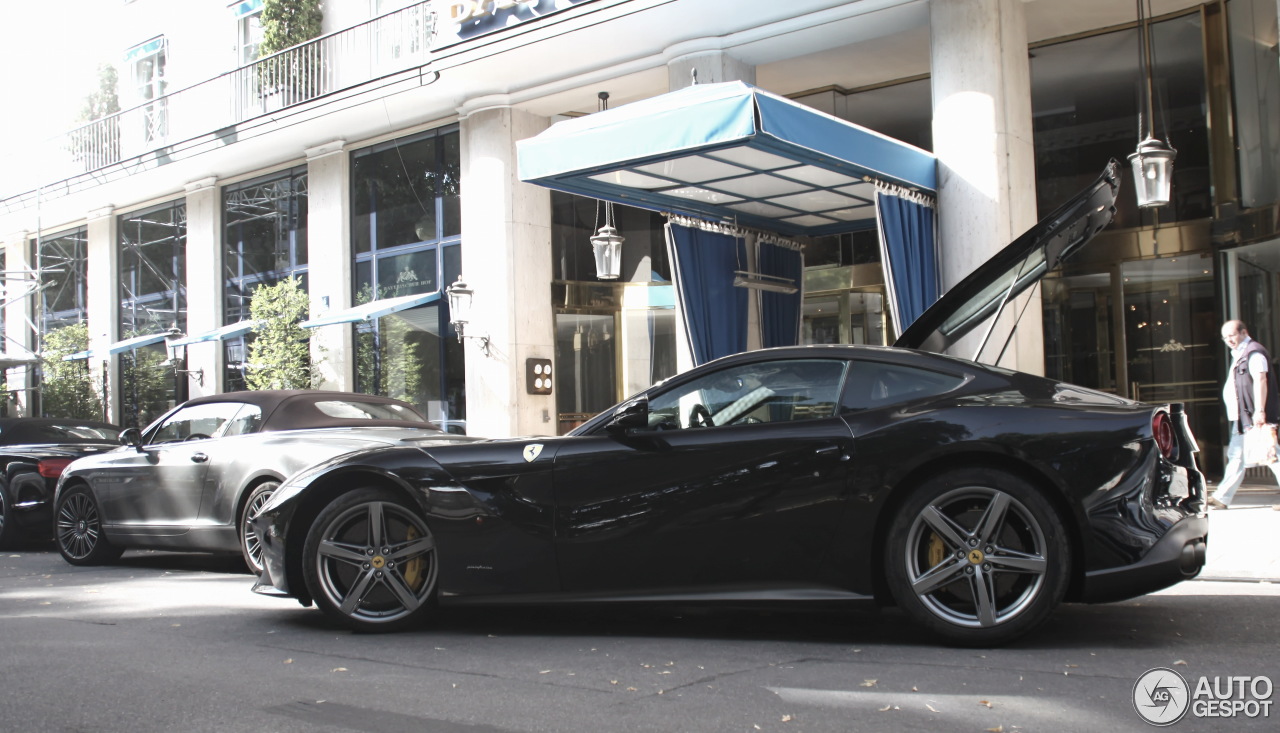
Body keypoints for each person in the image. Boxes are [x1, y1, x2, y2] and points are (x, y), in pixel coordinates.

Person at [1212, 319, 1280, 508]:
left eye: (1232, 335)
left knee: (1272, 455)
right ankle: (1222, 496)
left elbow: (1260, 380)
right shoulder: (1241, 353)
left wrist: (1260, 411)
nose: (1229, 340)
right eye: (1225, 338)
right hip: (1244, 416)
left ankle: (1222, 496)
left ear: (1243, 332)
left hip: (1253, 416)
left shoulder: (1254, 352)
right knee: (1237, 456)